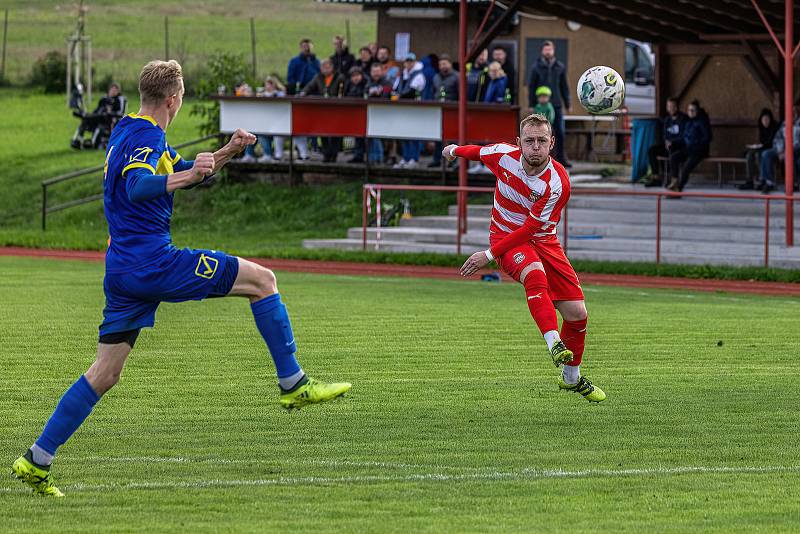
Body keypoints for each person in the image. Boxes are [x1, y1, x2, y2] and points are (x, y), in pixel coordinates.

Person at [11, 60, 351, 498]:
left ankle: (37, 459)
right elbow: (138, 185)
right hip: (154, 264)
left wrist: (224, 153)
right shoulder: (148, 137)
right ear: (174, 99)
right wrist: (187, 174)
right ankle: (294, 385)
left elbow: (171, 171)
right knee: (263, 280)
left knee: (105, 372)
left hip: (122, 269)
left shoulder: (127, 130)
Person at [443, 113, 605, 404]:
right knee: (534, 274)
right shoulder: (504, 156)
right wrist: (454, 150)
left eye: (541, 141)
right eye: (529, 141)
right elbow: (477, 152)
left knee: (577, 314)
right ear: (519, 143)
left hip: (543, 239)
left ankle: (571, 379)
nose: (535, 147)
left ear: (551, 143)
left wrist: (485, 257)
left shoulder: (557, 183)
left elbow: (531, 229)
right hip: (505, 238)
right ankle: (554, 343)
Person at [528, 40, 571, 166]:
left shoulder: (560, 66)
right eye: (545, 50)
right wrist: (531, 104)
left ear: (553, 51)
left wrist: (568, 104)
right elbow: (531, 86)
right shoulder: (536, 67)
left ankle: (562, 159)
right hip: (540, 107)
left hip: (556, 105)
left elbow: (564, 86)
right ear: (542, 51)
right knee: (540, 133)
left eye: (550, 50)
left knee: (560, 132)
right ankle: (542, 159)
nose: (548, 52)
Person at [301, 58, 345, 162]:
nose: (325, 69)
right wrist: (303, 93)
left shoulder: (339, 77)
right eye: (323, 67)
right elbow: (309, 87)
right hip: (323, 110)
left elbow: (342, 91)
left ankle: (334, 154)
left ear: (332, 67)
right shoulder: (318, 77)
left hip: (336, 109)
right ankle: (326, 154)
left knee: (335, 133)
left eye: (327, 67)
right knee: (323, 132)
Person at [666, 99, 711, 193]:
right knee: (674, 157)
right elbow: (684, 137)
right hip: (689, 149)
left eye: (692, 110)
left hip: (699, 150)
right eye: (688, 110)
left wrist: (696, 143)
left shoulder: (702, 121)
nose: (690, 112)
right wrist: (673, 142)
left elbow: (708, 137)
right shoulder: (688, 122)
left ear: (697, 111)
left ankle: (679, 188)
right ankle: (674, 181)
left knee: (686, 167)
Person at [642, 97, 688, 187]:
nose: (671, 109)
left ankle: (672, 179)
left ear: (677, 107)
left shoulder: (683, 119)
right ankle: (656, 178)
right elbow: (665, 135)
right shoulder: (667, 120)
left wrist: (673, 142)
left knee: (672, 151)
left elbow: (685, 136)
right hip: (669, 145)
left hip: (680, 147)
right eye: (669, 106)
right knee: (652, 150)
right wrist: (666, 142)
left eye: (673, 106)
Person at [393, 53, 426, 169]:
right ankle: (405, 157)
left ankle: (414, 158)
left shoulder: (419, 74)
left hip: (414, 109)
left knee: (414, 134)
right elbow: (395, 88)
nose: (409, 63)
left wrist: (399, 96)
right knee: (404, 134)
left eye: (411, 61)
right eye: (407, 61)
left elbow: (412, 91)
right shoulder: (402, 74)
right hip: (402, 109)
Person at [242, 76, 287, 163]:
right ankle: (249, 154)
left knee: (261, 134)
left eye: (270, 84)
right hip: (263, 122)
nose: (268, 86)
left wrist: (274, 93)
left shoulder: (279, 94)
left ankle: (268, 154)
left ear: (274, 85)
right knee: (251, 132)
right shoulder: (262, 93)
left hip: (276, 123)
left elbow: (282, 96)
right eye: (266, 84)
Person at [71, 82, 127, 149]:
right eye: (112, 90)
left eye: (115, 90)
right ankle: (78, 139)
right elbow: (97, 110)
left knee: (97, 123)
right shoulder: (104, 99)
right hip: (99, 117)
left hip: (109, 119)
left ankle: (92, 142)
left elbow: (120, 113)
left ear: (118, 91)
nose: (113, 92)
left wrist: (109, 113)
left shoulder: (119, 99)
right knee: (84, 121)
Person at [758, 104, 800, 193]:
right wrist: (781, 150)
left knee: (789, 156)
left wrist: (787, 151)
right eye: (791, 111)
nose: (793, 113)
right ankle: (769, 182)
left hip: (795, 150)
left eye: (795, 112)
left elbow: (798, 142)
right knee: (766, 153)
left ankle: (793, 183)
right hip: (782, 149)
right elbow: (778, 138)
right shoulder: (784, 124)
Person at [429, 54, 459, 168]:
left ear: (450, 64)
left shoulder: (457, 77)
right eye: (441, 64)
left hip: (452, 110)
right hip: (438, 109)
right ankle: (437, 159)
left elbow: (461, 94)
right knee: (437, 134)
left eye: (445, 63)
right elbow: (433, 92)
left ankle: (454, 160)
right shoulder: (436, 77)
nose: (443, 66)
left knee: (452, 135)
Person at [739, 108, 780, 190]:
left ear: (770, 119)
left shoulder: (775, 127)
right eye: (763, 119)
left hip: (772, 150)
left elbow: (772, 143)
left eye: (767, 119)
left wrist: (760, 146)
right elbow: (762, 141)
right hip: (763, 148)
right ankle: (749, 180)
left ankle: (763, 180)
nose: (765, 121)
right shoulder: (761, 128)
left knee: (759, 155)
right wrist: (757, 146)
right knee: (749, 155)